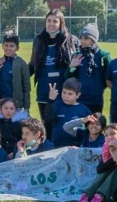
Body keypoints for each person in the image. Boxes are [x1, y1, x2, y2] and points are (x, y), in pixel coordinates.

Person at [29, 9, 77, 137]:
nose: (51, 24)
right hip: (44, 90)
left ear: (61, 23)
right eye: (49, 20)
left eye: (55, 21)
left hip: (63, 90)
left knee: (63, 124)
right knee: (47, 125)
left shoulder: (70, 39)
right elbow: (33, 64)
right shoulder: (38, 40)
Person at [77, 123, 117, 202]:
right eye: (106, 135)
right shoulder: (107, 149)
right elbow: (99, 170)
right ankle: (87, 195)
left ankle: (100, 196)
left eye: (113, 133)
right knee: (107, 167)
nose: (109, 137)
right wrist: (113, 157)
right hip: (115, 189)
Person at [66, 23, 110, 113]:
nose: (82, 41)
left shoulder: (103, 55)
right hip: (79, 98)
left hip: (96, 99)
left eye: (86, 38)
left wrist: (99, 87)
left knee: (95, 125)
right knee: (80, 125)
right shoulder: (76, 55)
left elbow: (108, 77)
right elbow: (68, 78)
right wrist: (71, 67)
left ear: (93, 40)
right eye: (81, 38)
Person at [0, 33, 31, 118]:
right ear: (2, 46)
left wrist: (26, 108)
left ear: (17, 48)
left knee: (15, 129)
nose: (8, 48)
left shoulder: (22, 64)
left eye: (12, 46)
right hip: (0, 104)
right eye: (6, 45)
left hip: (15, 106)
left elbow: (26, 87)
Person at [44, 78, 92, 147]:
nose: (66, 96)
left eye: (70, 94)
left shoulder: (84, 110)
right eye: (64, 92)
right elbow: (48, 119)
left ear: (78, 95)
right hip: (57, 146)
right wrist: (51, 100)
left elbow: (90, 130)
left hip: (76, 147)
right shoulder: (57, 105)